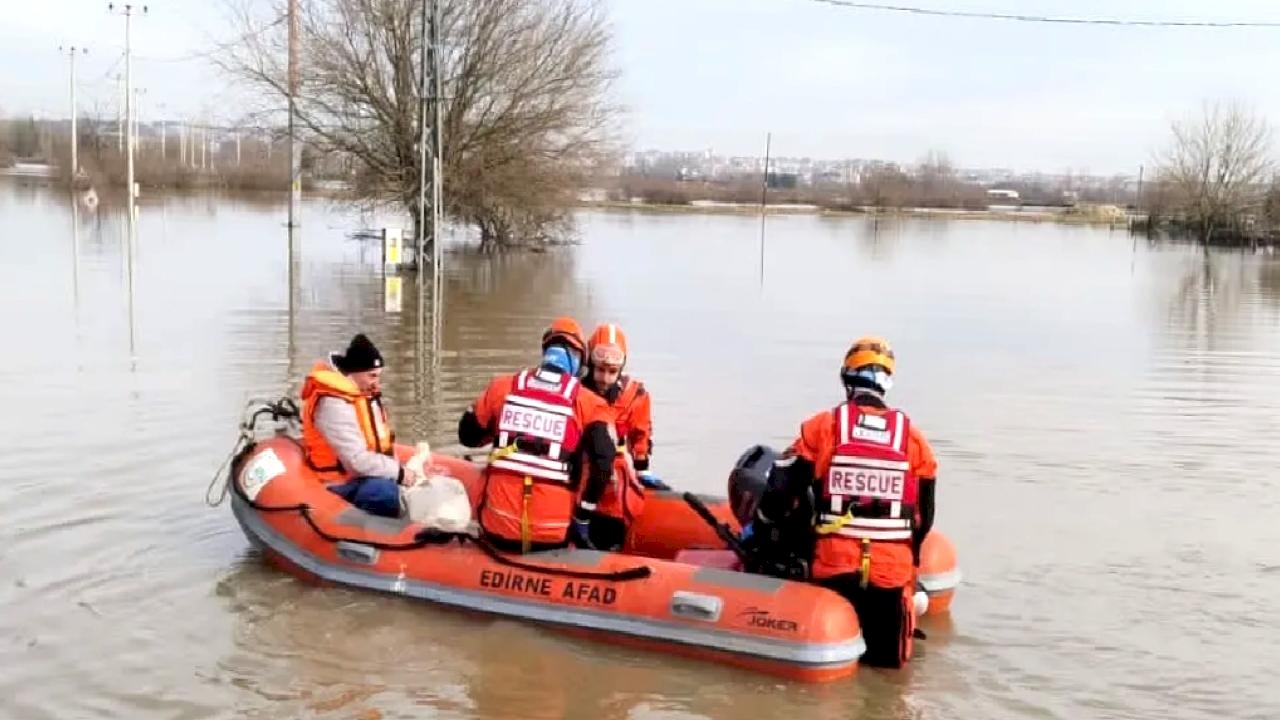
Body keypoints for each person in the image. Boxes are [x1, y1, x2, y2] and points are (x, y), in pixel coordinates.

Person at [742, 336, 938, 668]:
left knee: (831, 663)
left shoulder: (824, 427)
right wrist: (910, 564)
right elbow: (925, 517)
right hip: (891, 574)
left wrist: (760, 532)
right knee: (885, 674)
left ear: (847, 378)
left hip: (836, 566)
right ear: (887, 383)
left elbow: (781, 494)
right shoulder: (914, 440)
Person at [457, 317, 617, 553]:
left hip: (497, 525)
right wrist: (582, 517)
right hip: (551, 533)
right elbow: (603, 465)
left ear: (545, 350)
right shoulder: (590, 403)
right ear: (579, 361)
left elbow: (467, 435)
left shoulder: (502, 387)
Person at [300, 333, 414, 518]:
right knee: (383, 493)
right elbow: (356, 461)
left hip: (365, 475)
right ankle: (381, 537)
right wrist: (399, 473)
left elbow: (380, 446)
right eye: (372, 376)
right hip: (339, 482)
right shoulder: (333, 404)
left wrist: (403, 470)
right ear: (355, 372)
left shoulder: (365, 396)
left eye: (378, 376)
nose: (377, 382)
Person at [580, 323, 662, 550]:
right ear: (590, 365)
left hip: (611, 486)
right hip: (579, 474)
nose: (605, 379)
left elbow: (641, 434)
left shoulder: (634, 396)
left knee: (610, 530)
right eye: (600, 370)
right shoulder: (575, 391)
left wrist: (643, 468)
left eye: (612, 372)